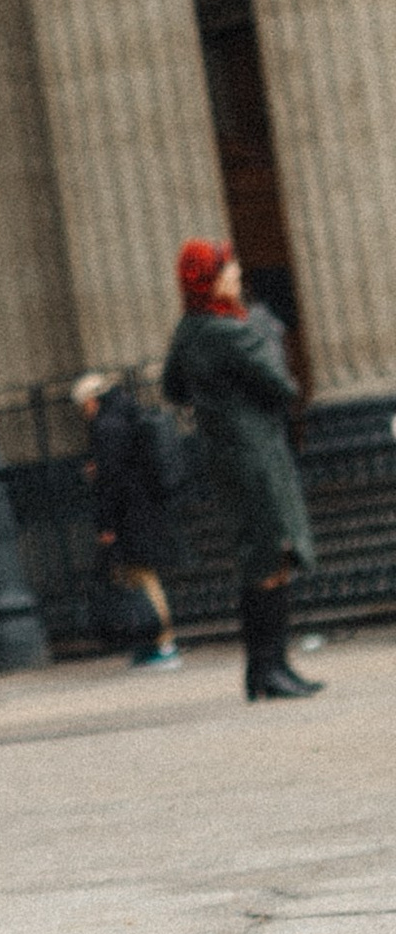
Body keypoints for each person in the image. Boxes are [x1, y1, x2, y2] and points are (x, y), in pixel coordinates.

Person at [160, 241, 321, 703]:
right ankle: (272, 667)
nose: (236, 275)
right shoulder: (231, 331)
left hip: (226, 453)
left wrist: (216, 402)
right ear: (210, 280)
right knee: (273, 554)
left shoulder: (189, 330)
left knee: (259, 555)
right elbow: (281, 385)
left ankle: (265, 669)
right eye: (228, 269)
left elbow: (173, 387)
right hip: (258, 453)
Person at [70, 372, 184, 664]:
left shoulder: (106, 426)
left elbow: (111, 479)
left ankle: (163, 640)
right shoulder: (127, 415)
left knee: (142, 577)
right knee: (138, 575)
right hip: (141, 507)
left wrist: (106, 524)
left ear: (91, 401)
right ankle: (152, 639)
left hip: (127, 512)